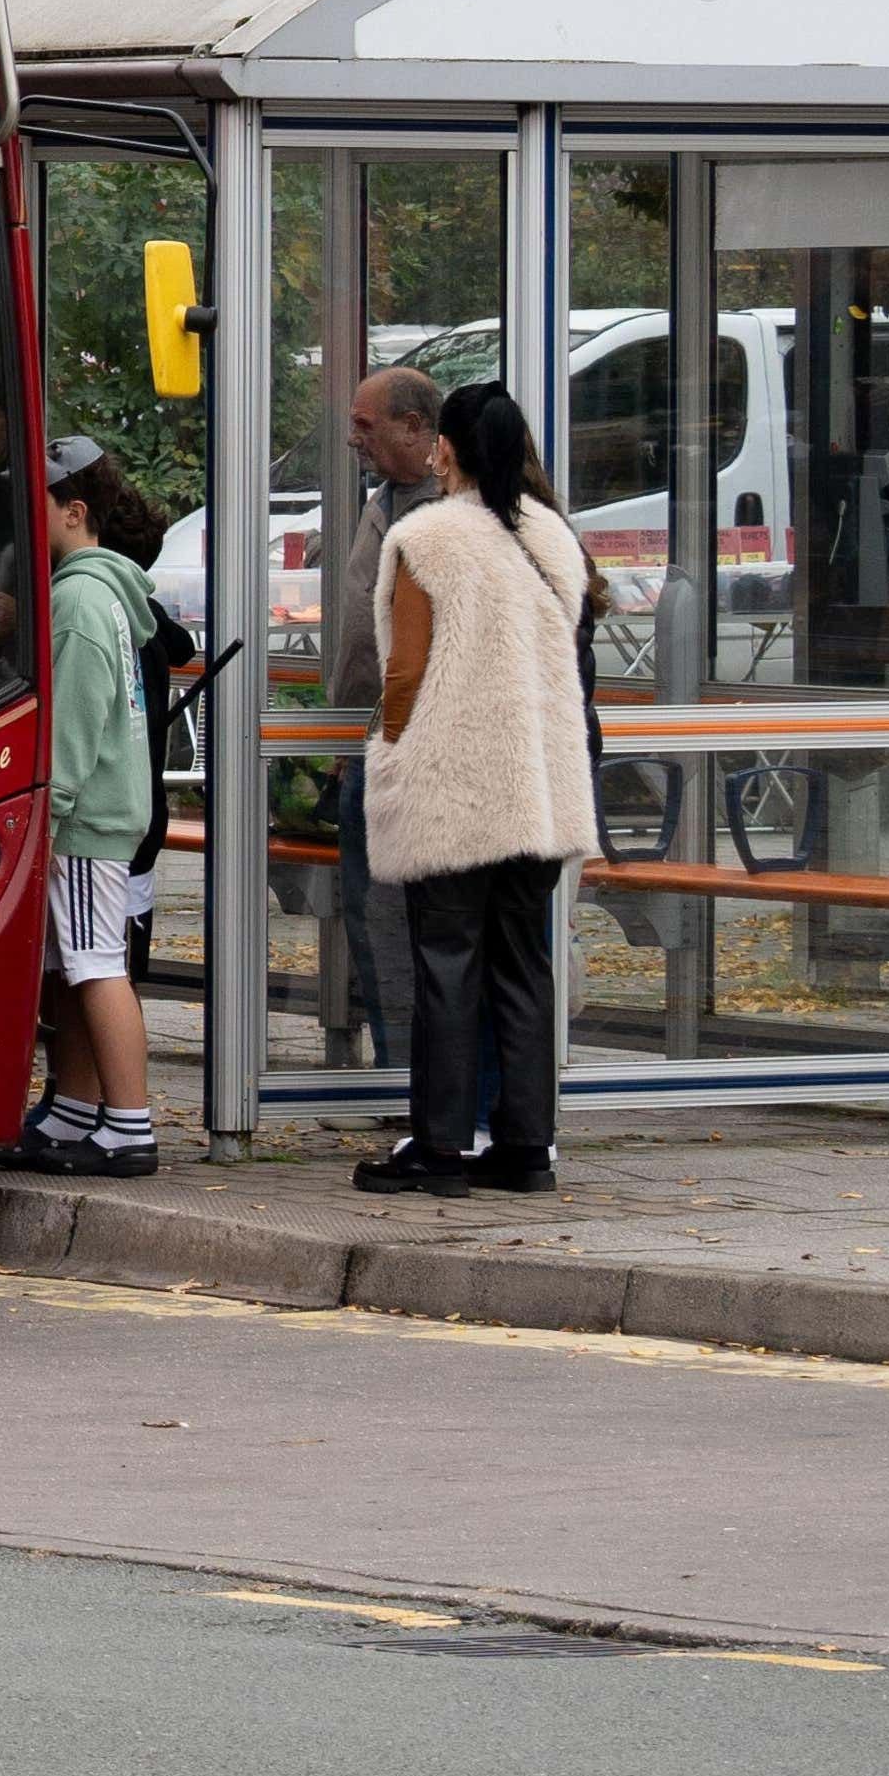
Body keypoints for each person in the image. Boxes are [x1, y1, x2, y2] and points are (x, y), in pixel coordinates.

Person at [356, 385, 599, 1197]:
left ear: (444, 450)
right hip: (537, 787)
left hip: (454, 788)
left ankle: (439, 1147)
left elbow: (405, 674)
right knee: (524, 969)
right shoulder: (554, 539)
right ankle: (526, 1148)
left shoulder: (425, 536)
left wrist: (387, 753)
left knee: (446, 967)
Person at [3, 437, 169, 1177]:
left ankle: (128, 1125)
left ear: (72, 512)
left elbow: (71, 722)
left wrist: (46, 811)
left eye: (32, 508)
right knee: (74, 963)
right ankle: (75, 1112)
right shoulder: (107, 593)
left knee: (98, 965)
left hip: (83, 820)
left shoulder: (73, 598)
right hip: (106, 812)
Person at [327, 366, 454, 1065]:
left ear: (414, 427)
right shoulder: (384, 500)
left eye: (364, 425)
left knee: (410, 917)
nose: (353, 439)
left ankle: (420, 1074)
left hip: (414, 746)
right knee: (372, 915)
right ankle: (397, 1067)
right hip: (369, 745)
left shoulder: (446, 510)